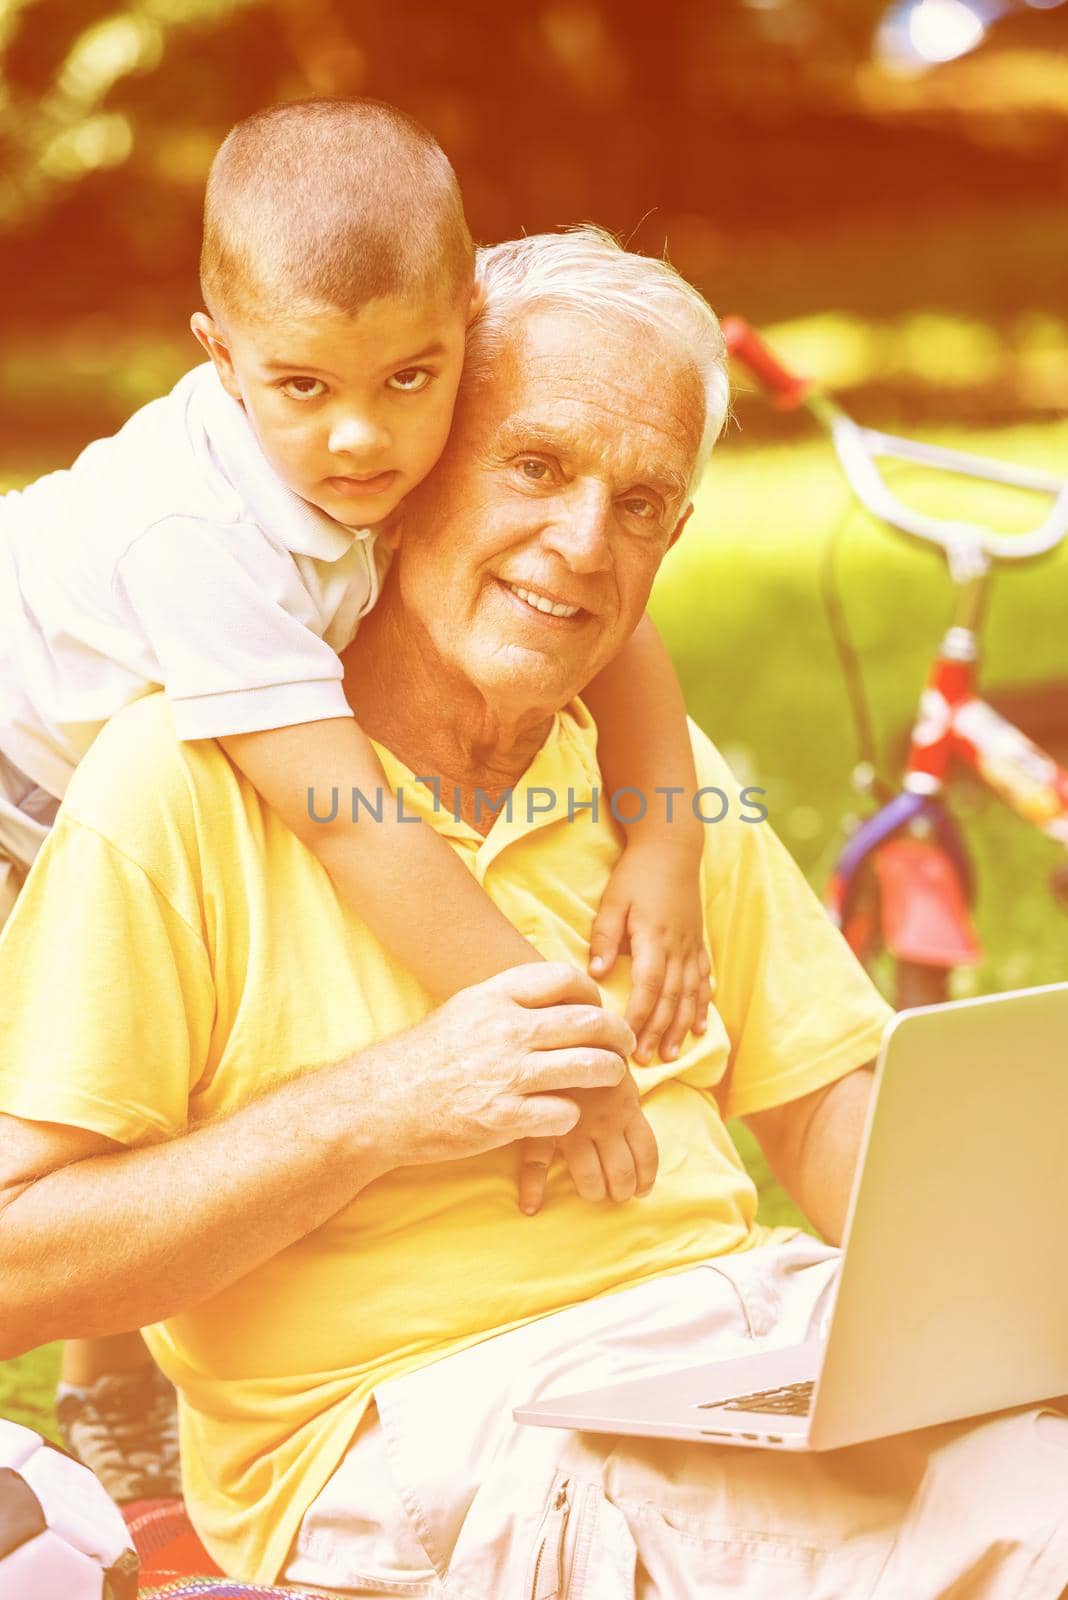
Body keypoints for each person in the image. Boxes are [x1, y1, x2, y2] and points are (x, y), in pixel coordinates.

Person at [1, 229, 1065, 1597]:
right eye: (535, 467)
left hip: (746, 1347)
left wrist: (1012, 1290)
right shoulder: (182, 786)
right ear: (417, 470)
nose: (581, 544)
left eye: (641, 505)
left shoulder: (660, 797)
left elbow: (824, 1106)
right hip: (443, 1428)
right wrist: (381, 1106)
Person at [0, 100, 713, 1493]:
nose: (359, 440)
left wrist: (669, 845)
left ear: (466, 327)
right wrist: (568, 1061)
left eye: (409, 376)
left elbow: (615, 620)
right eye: (302, 389)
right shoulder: (201, 538)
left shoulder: (407, 420)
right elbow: (352, 819)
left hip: (95, 757)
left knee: (185, 1023)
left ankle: (116, 1385)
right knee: (60, 1103)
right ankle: (99, 1396)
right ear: (219, 359)